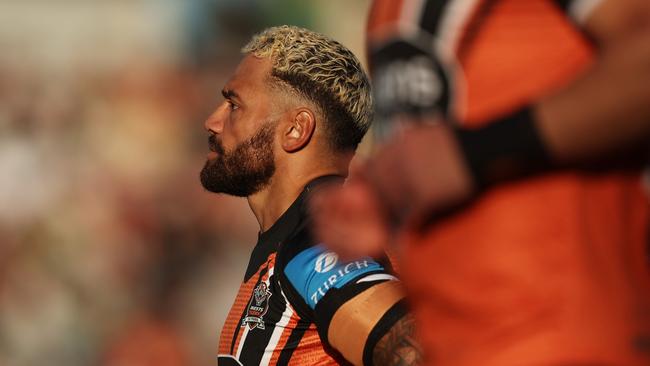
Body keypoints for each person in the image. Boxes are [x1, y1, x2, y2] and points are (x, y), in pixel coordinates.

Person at [312, 1, 650, 365]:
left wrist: (473, 153)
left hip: (570, 340)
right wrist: (382, 198)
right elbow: (437, 156)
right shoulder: (386, 11)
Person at [201, 26, 420, 366]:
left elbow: (413, 353)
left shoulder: (319, 241)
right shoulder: (295, 239)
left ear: (295, 130)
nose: (212, 121)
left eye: (233, 105)